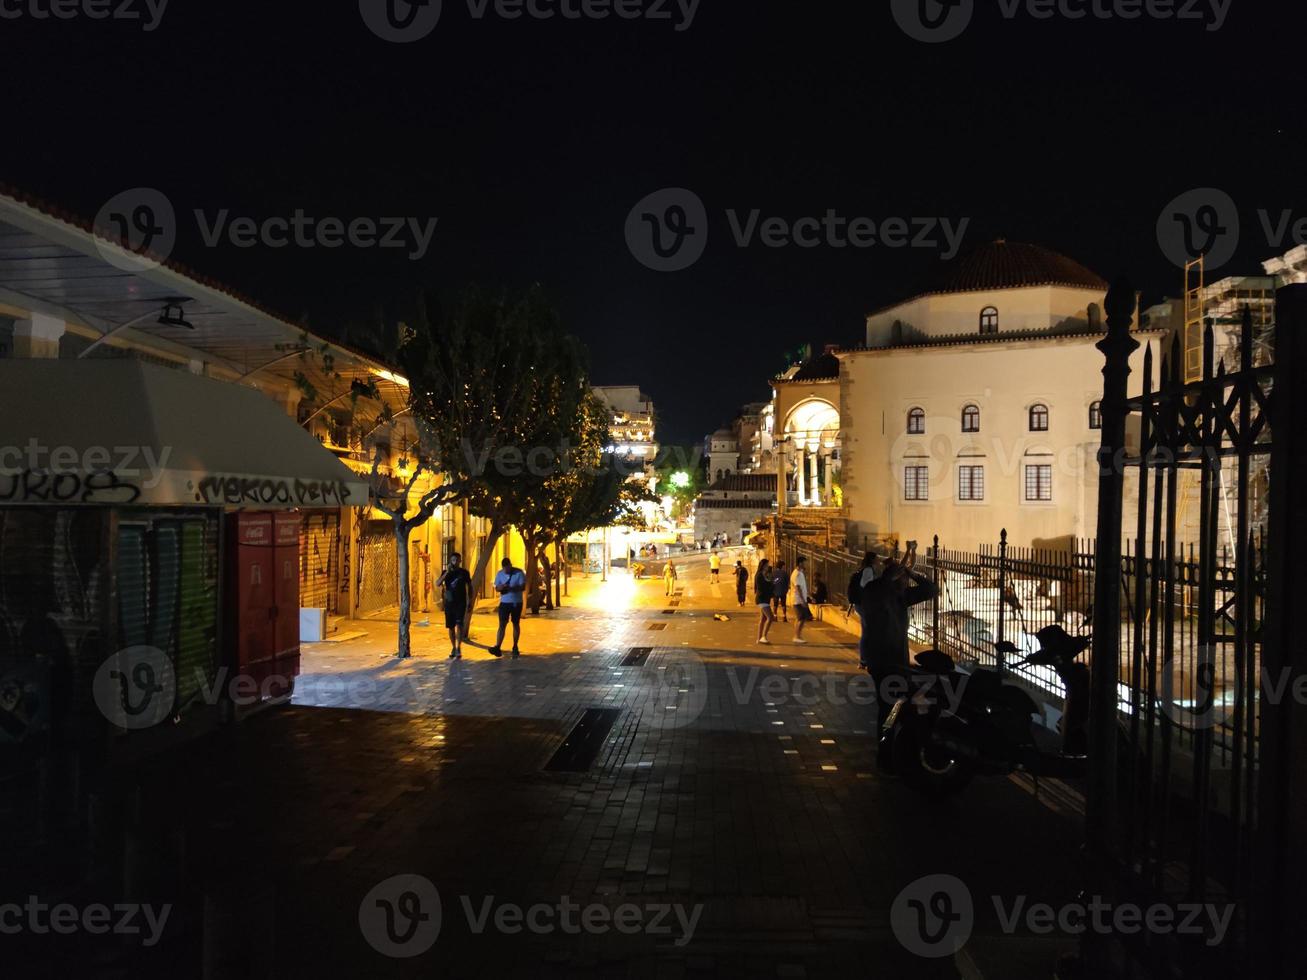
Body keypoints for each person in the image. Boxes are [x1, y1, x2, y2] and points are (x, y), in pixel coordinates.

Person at [859, 549, 937, 732]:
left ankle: (890, 736)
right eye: (903, 579)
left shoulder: (899, 596)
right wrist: (895, 575)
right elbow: (877, 591)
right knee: (889, 706)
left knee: (897, 703)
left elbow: (931, 589)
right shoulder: (875, 592)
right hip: (883, 661)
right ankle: (886, 738)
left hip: (897, 662)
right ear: (894, 579)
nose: (906, 583)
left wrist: (910, 572)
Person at [435, 552, 472, 659]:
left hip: (460, 602)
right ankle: (453, 647)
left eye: (457, 560)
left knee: (459, 625)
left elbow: (470, 586)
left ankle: (459, 647)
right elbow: (437, 583)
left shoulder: (464, 573)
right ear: (450, 561)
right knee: (451, 627)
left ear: (460, 561)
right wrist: (447, 573)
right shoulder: (446, 572)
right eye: (453, 560)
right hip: (449, 603)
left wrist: (470, 600)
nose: (454, 562)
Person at [489, 557, 526, 658]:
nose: (507, 570)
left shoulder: (519, 573)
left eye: (508, 568)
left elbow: (523, 587)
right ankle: (498, 647)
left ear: (511, 565)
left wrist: (511, 588)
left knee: (515, 623)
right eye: (505, 568)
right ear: (503, 567)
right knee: (502, 624)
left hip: (516, 603)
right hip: (504, 603)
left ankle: (515, 646)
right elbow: (496, 587)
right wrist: (500, 587)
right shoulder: (500, 574)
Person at [790, 556, 813, 643]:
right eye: (804, 563)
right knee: (801, 618)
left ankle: (798, 635)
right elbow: (798, 587)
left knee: (800, 618)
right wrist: (803, 600)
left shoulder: (800, 573)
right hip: (798, 600)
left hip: (800, 599)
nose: (806, 564)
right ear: (800, 563)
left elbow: (802, 587)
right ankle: (797, 636)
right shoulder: (797, 574)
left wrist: (808, 596)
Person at [754, 558, 776, 643]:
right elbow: (761, 587)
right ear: (763, 566)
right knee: (770, 617)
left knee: (763, 619)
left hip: (765, 599)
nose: (768, 566)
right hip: (762, 598)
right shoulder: (759, 575)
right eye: (766, 565)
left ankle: (759, 638)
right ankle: (764, 637)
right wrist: (771, 584)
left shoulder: (764, 574)